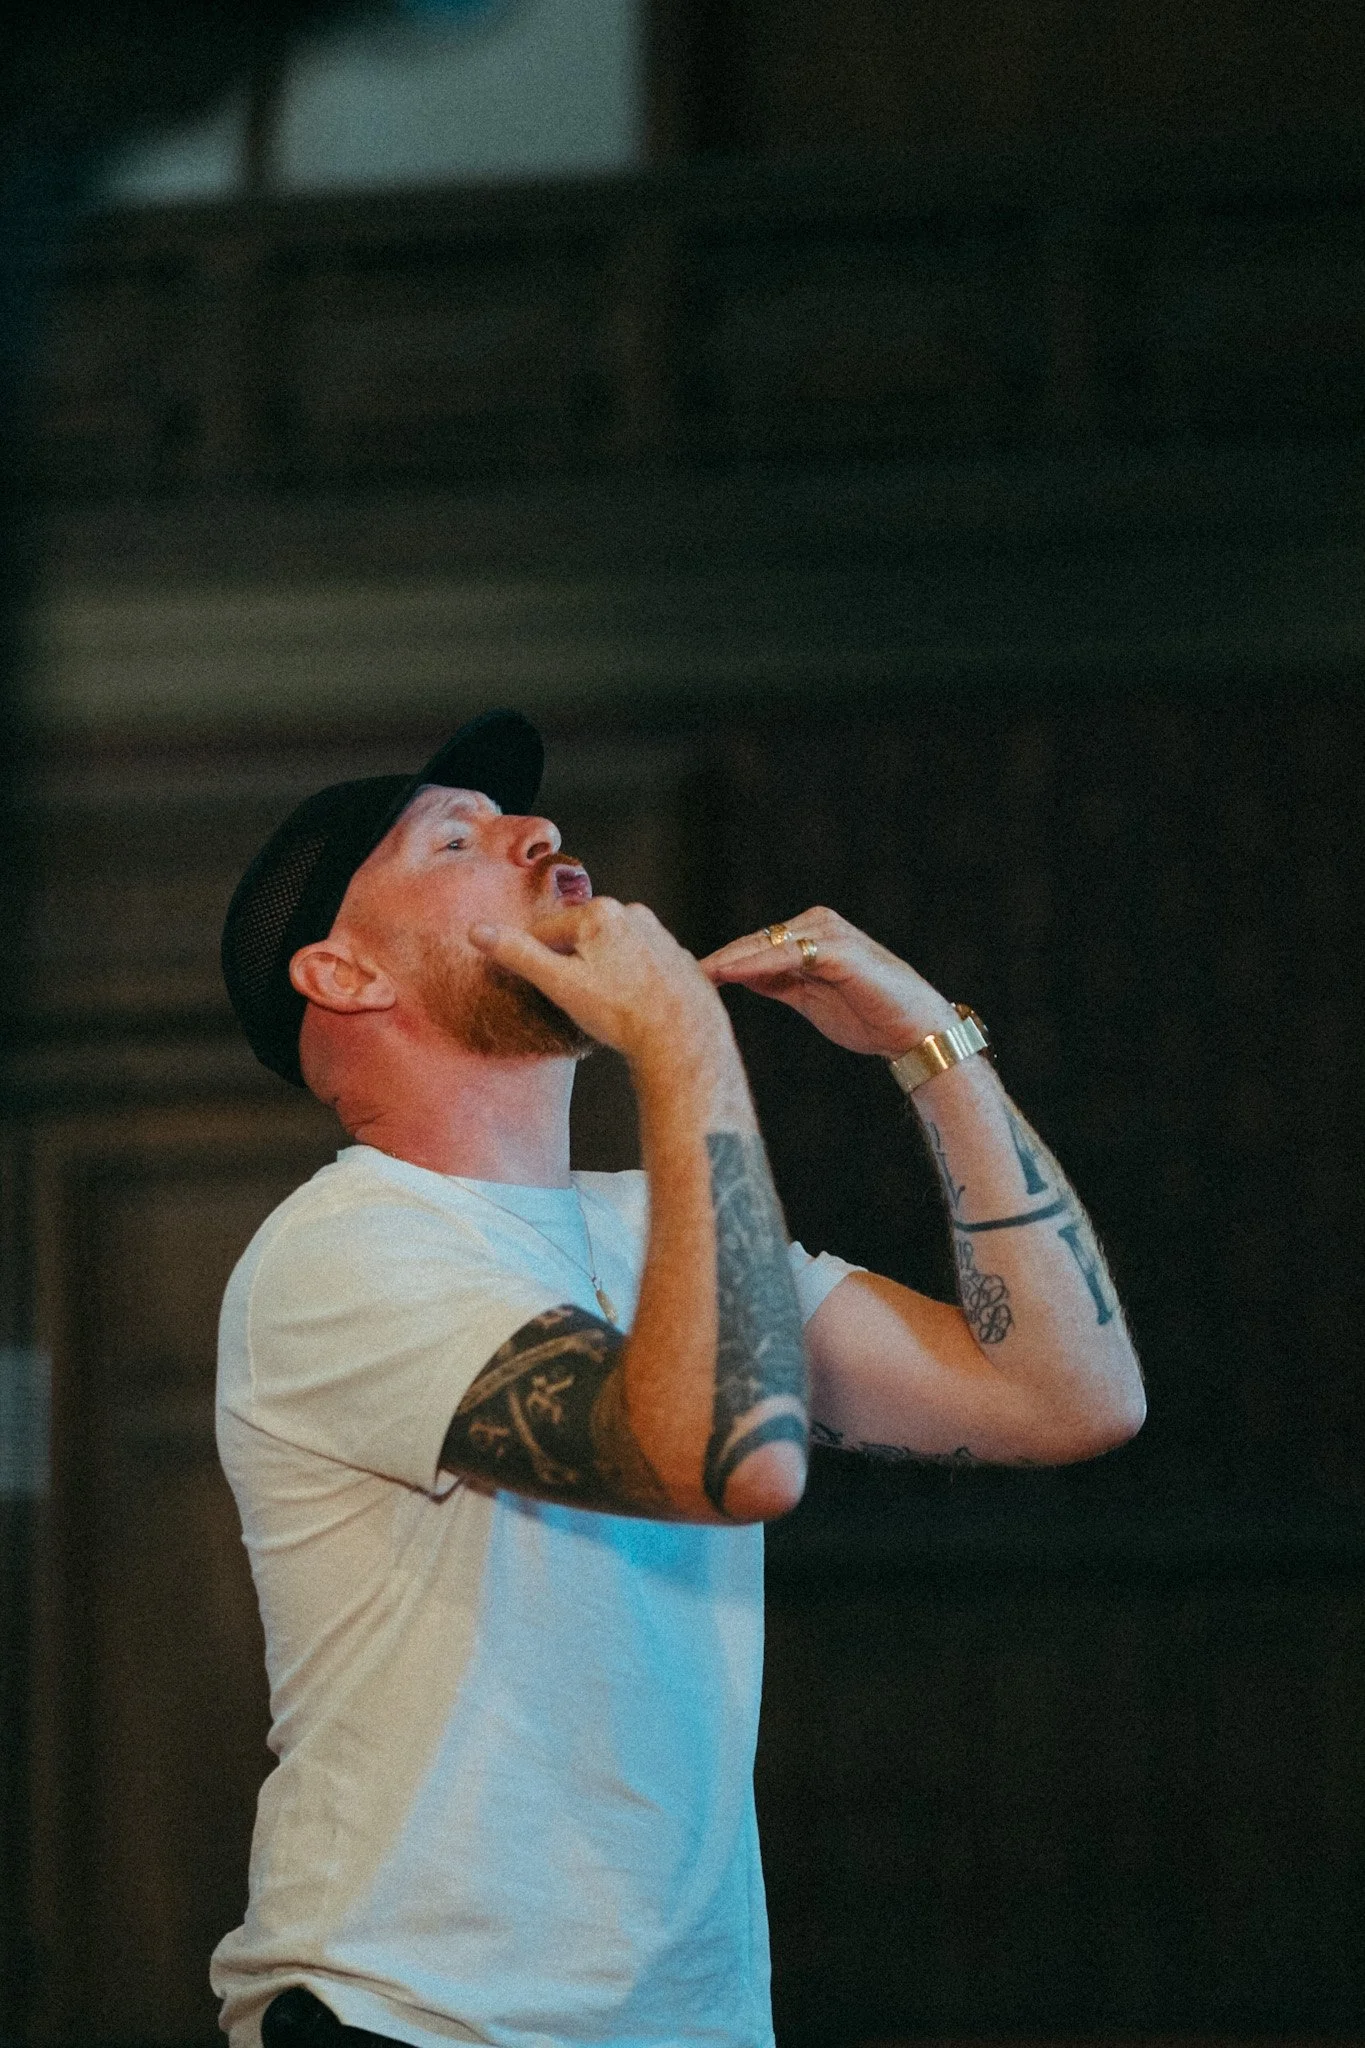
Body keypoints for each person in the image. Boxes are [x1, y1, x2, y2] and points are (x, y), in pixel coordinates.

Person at [211, 709, 1144, 2048]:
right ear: (343, 972)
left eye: (521, 818)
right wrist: (683, 1035)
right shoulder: (341, 1253)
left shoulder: (656, 1229)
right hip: (413, 2022)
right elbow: (727, 1460)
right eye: (457, 842)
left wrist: (935, 1046)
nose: (540, 834)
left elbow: (1069, 1397)